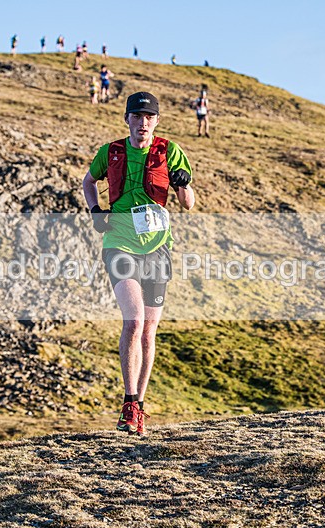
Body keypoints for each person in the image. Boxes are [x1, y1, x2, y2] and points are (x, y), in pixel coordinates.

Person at [81, 92, 195, 437]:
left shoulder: (170, 151)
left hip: (158, 248)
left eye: (149, 117)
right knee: (134, 321)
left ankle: (139, 407)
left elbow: (188, 204)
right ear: (127, 119)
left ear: (156, 121)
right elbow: (88, 182)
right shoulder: (110, 151)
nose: (143, 123)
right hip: (119, 243)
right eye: (137, 116)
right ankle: (129, 401)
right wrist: (95, 211)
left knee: (148, 330)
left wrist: (183, 185)